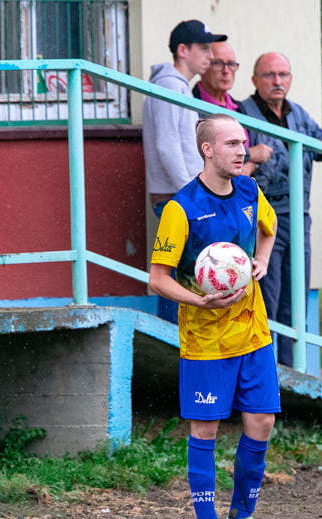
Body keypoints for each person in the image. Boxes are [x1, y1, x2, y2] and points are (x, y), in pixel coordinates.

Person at [148, 114, 285, 519]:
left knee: (261, 421)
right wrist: (198, 301)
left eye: (243, 142)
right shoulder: (181, 207)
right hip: (206, 338)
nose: (241, 150)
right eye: (231, 143)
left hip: (254, 331)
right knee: (205, 428)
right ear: (208, 150)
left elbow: (270, 226)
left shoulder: (249, 189)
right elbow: (157, 279)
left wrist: (260, 259)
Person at [238, 52, 322, 366]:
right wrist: (250, 154)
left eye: (283, 74)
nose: (277, 81)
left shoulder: (297, 114)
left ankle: (292, 378)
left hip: (299, 219)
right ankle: (262, 377)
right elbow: (230, 160)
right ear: (254, 80)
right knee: (265, 301)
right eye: (269, 75)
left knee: (295, 303)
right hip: (261, 222)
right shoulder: (242, 114)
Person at [143, 19, 227, 323]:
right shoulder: (168, 86)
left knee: (189, 271)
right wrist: (192, 196)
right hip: (176, 197)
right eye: (203, 47)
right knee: (179, 274)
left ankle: (177, 345)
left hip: (181, 195)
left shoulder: (178, 86)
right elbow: (167, 145)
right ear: (183, 50)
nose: (210, 54)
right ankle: (171, 345)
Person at [192, 41, 272, 175]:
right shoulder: (191, 106)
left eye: (231, 64)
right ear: (203, 67)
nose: (226, 71)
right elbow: (201, 156)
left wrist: (250, 166)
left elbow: (263, 155)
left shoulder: (239, 108)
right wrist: (250, 155)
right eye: (218, 63)